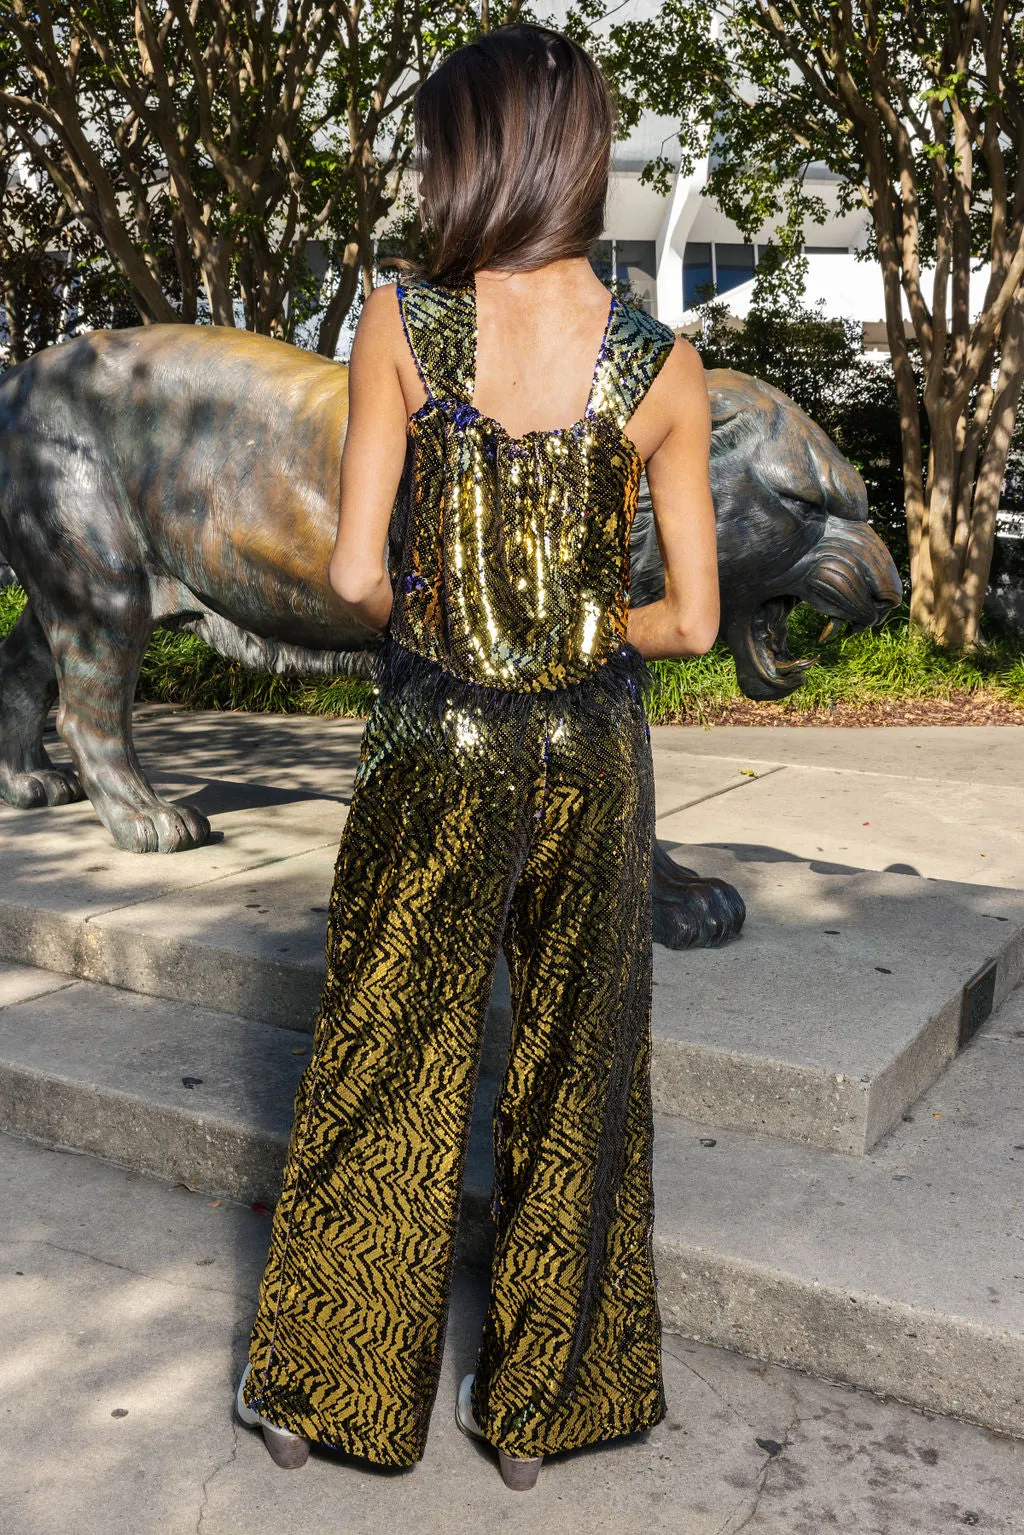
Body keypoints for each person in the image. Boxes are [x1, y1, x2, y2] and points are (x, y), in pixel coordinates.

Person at [235, 21, 719, 1493]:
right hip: (590, 746)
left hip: (434, 733)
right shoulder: (665, 366)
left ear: (485, 154)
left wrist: (459, 619)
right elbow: (692, 620)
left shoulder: (402, 321)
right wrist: (575, 622)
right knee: (578, 1066)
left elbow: (352, 571)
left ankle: (323, 1393)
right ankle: (536, 1412)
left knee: (388, 1039)